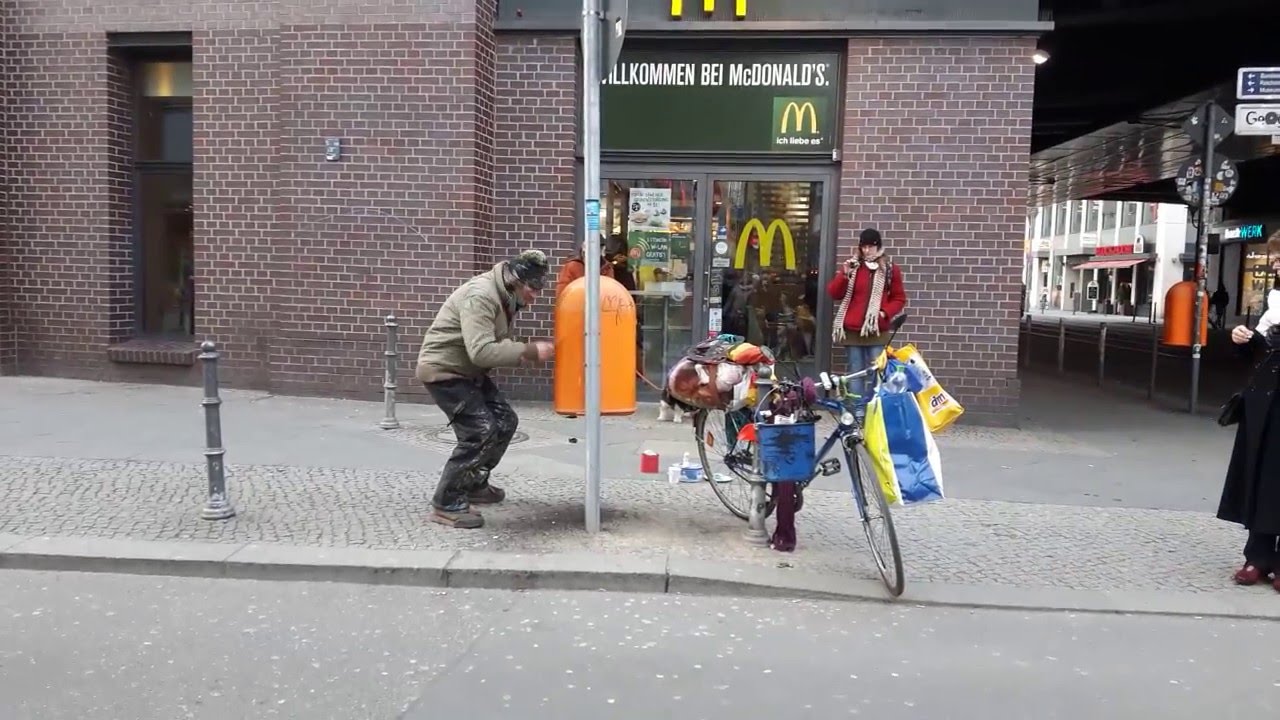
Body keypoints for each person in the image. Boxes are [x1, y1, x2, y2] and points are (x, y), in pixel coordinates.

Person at [415, 250, 555, 529]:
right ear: (515, 280)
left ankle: (475, 483)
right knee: (479, 432)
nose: (535, 296)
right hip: (445, 371)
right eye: (532, 288)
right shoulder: (481, 295)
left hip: (467, 371)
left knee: (505, 421)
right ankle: (446, 502)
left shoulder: (505, 293)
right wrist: (529, 351)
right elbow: (481, 351)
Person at [1222, 257, 1280, 590]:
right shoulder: (1273, 302)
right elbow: (1257, 354)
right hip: (1265, 404)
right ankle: (1256, 557)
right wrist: (1242, 339)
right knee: (1261, 475)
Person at [826, 228, 907, 417]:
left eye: (871, 246)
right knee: (855, 371)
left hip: (876, 330)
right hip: (852, 330)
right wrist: (844, 275)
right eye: (863, 246)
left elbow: (899, 298)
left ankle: (875, 408)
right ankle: (858, 411)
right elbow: (834, 293)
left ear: (878, 246)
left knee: (876, 372)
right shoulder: (853, 267)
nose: (867, 250)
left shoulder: (890, 269)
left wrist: (884, 313)